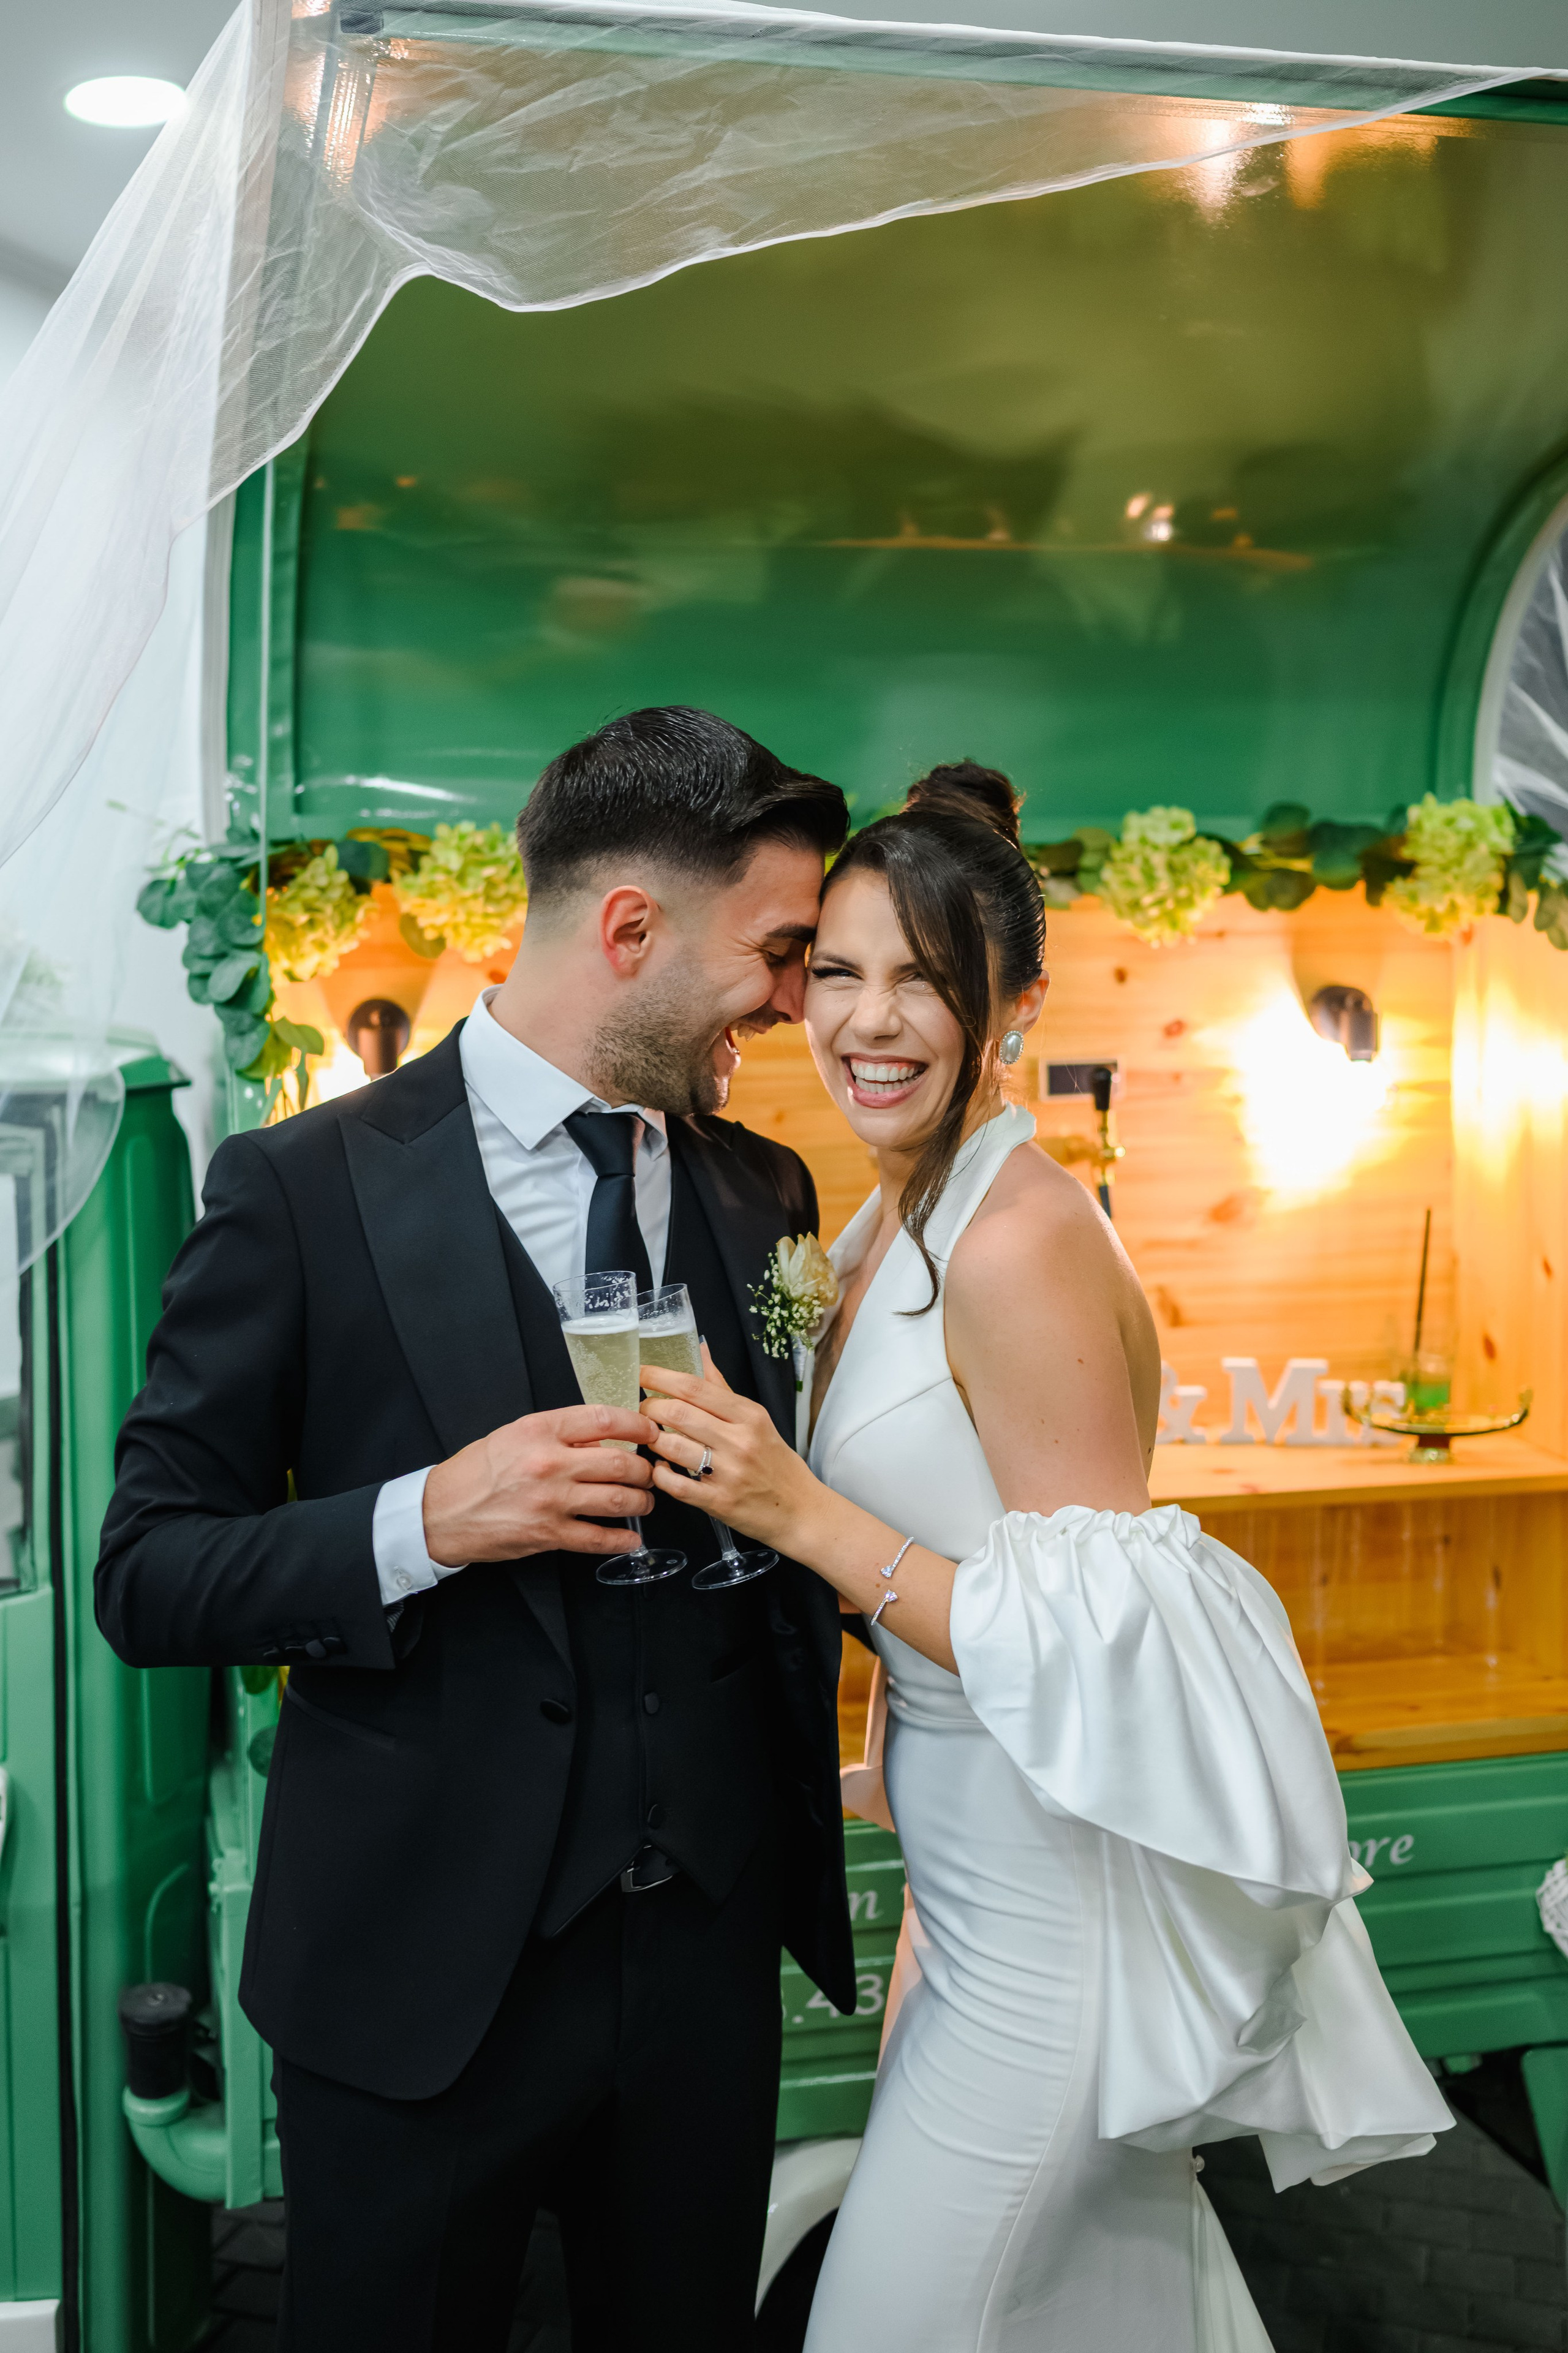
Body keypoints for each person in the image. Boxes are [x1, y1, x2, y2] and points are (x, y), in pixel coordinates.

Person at [638, 761, 1453, 2352]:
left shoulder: (1019, 1238)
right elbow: (974, 1567)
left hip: (1047, 1936)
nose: (870, 1021)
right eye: (845, 970)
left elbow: (1096, 1639)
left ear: (1005, 1005)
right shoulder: (876, 1230)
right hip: (968, 1900)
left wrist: (790, 1502)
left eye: (923, 982)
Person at [94, 708, 854, 2353]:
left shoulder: (765, 1194)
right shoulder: (300, 1189)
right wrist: (423, 1517)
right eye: (783, 951)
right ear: (632, 928)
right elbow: (146, 1571)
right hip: (421, 1988)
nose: (798, 1001)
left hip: (704, 1972)